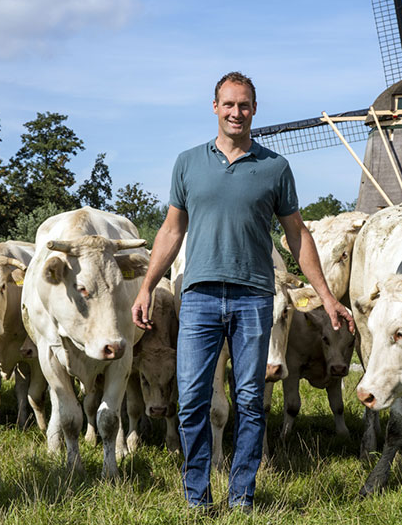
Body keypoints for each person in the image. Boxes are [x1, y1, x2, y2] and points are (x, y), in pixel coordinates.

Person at [131, 71, 353, 512]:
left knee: (250, 401)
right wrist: (146, 287)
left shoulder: (274, 168)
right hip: (198, 297)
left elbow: (298, 235)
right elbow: (171, 231)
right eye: (229, 104)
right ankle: (198, 498)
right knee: (193, 400)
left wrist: (326, 295)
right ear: (215, 108)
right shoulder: (188, 163)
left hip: (255, 298)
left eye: (245, 105)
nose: (237, 112)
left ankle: (242, 498)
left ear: (255, 109)